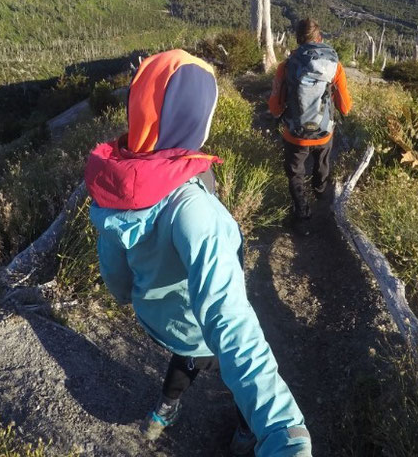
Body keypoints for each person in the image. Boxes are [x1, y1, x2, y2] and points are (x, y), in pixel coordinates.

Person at [84, 49, 312, 456]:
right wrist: (283, 427)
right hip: (199, 326)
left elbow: (117, 282)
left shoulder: (119, 185)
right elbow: (230, 323)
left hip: (161, 321)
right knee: (221, 363)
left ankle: (162, 412)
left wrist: (136, 297)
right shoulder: (192, 209)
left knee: (184, 359)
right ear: (195, 116)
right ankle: (247, 432)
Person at [268, 19, 352, 236]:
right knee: (322, 162)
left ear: (298, 39)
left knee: (295, 173)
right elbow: (345, 106)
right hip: (324, 134)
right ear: (320, 38)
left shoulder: (285, 67)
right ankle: (320, 191)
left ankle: (302, 215)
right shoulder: (335, 67)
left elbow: (275, 106)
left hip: (295, 135)